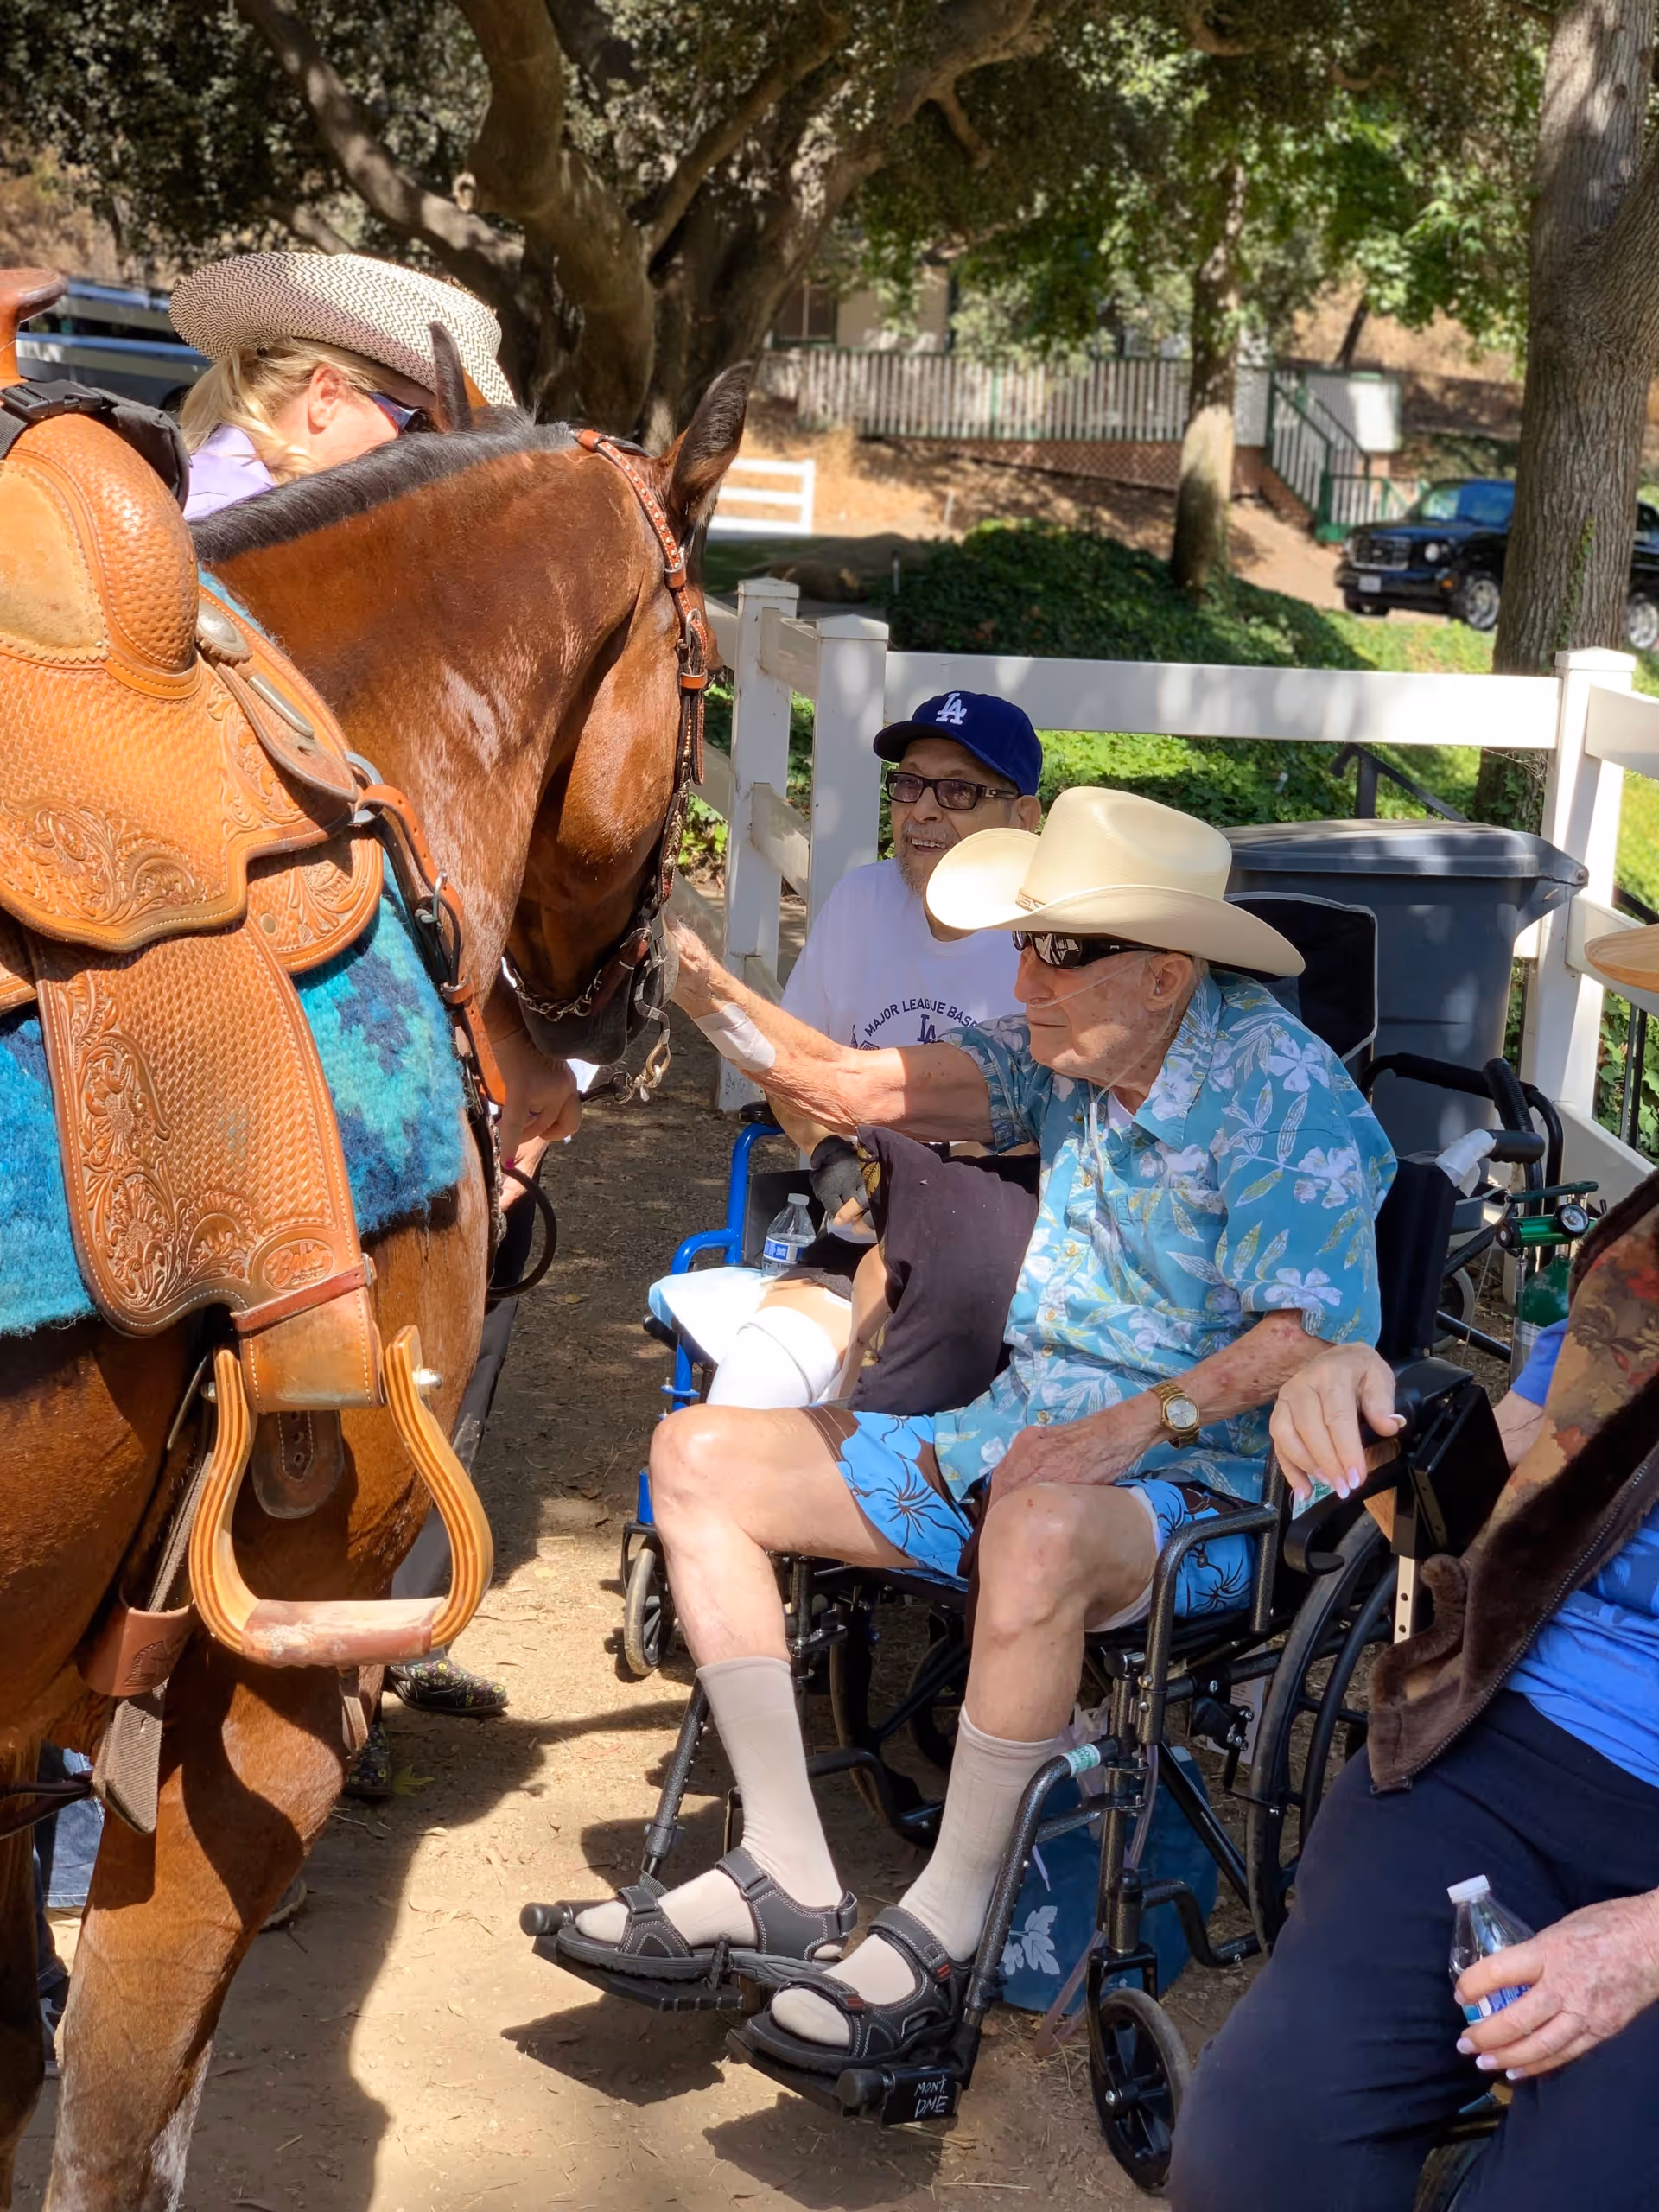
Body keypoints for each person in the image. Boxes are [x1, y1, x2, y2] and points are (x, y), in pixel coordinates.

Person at [545, 787, 1395, 2071]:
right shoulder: (1066, 1056)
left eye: (1060, 948)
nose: (1023, 973)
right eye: (1028, 941)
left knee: (1042, 1526)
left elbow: (1310, 1334)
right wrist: (668, 952)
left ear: (1166, 974)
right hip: (1014, 1442)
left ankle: (940, 1931)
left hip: (1196, 1491)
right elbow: (840, 1082)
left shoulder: (1285, 1091)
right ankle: (785, 1864)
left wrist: (1122, 1429)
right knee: (697, 1458)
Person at [173, 251, 571, 1742]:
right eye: (417, 425)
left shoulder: (242, 537)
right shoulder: (225, 553)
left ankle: (334, 1631)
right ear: (328, 395)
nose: (427, 469)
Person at [1170, 1193, 1659, 2208]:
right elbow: (1497, 1475)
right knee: (1259, 2158)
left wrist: (1641, 1944)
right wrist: (1368, 1409)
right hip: (1506, 1745)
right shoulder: (1648, 1262)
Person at [697, 690, 1041, 1413]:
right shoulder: (860, 902)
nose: (922, 809)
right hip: (856, 1223)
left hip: (998, 1253)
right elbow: (792, 1071)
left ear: (1025, 817)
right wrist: (829, 1156)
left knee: (880, 1423)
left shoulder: (1052, 944)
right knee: (745, 1392)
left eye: (958, 790)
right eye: (910, 783)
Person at [170, 250, 514, 518]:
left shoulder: (200, 493)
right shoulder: (221, 525)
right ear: (327, 395)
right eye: (420, 428)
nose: (433, 465)